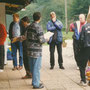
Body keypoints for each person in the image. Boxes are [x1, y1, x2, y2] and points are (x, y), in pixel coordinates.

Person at [27, 12, 46, 89]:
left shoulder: (29, 26)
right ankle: (36, 84)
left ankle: (34, 81)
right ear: (40, 18)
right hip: (36, 51)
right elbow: (41, 40)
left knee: (32, 67)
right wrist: (46, 39)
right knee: (36, 68)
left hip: (29, 50)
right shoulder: (38, 27)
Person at [78, 10, 90, 86]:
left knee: (82, 65)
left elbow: (81, 39)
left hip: (86, 48)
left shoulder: (84, 27)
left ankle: (83, 81)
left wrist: (79, 48)